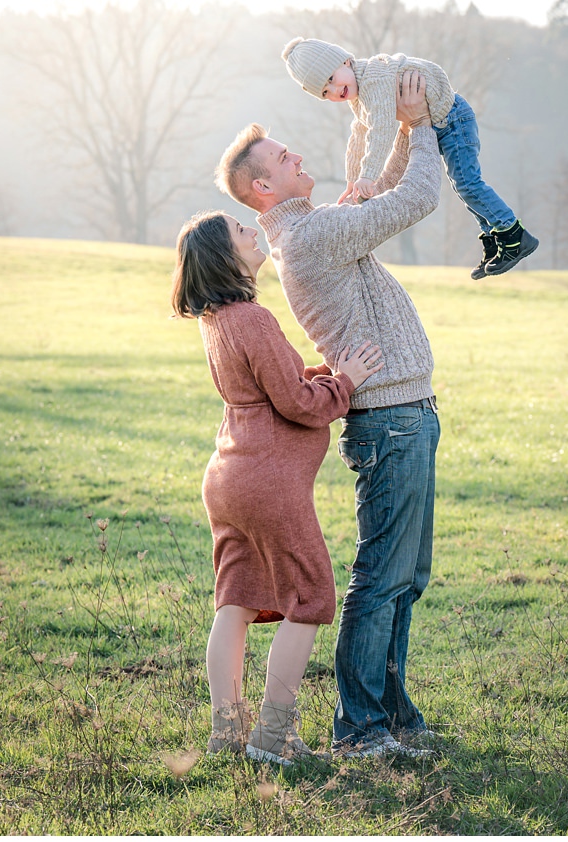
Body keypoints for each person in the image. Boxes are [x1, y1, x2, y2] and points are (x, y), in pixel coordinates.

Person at [171, 209, 384, 766]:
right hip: (267, 483)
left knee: (236, 600)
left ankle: (226, 733)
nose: (253, 233)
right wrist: (345, 382)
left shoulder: (216, 319)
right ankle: (274, 735)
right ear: (226, 256)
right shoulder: (254, 318)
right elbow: (295, 404)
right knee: (309, 599)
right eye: (241, 231)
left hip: (228, 475)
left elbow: (270, 387)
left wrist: (321, 374)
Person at [281, 36, 539, 279]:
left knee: (468, 183)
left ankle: (513, 234)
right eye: (325, 92)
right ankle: (494, 238)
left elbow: (381, 129)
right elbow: (359, 133)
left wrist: (368, 176)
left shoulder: (374, 79)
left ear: (346, 61)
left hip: (453, 118)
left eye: (331, 78)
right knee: (462, 186)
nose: (334, 90)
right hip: (441, 123)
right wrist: (352, 180)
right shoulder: (359, 96)